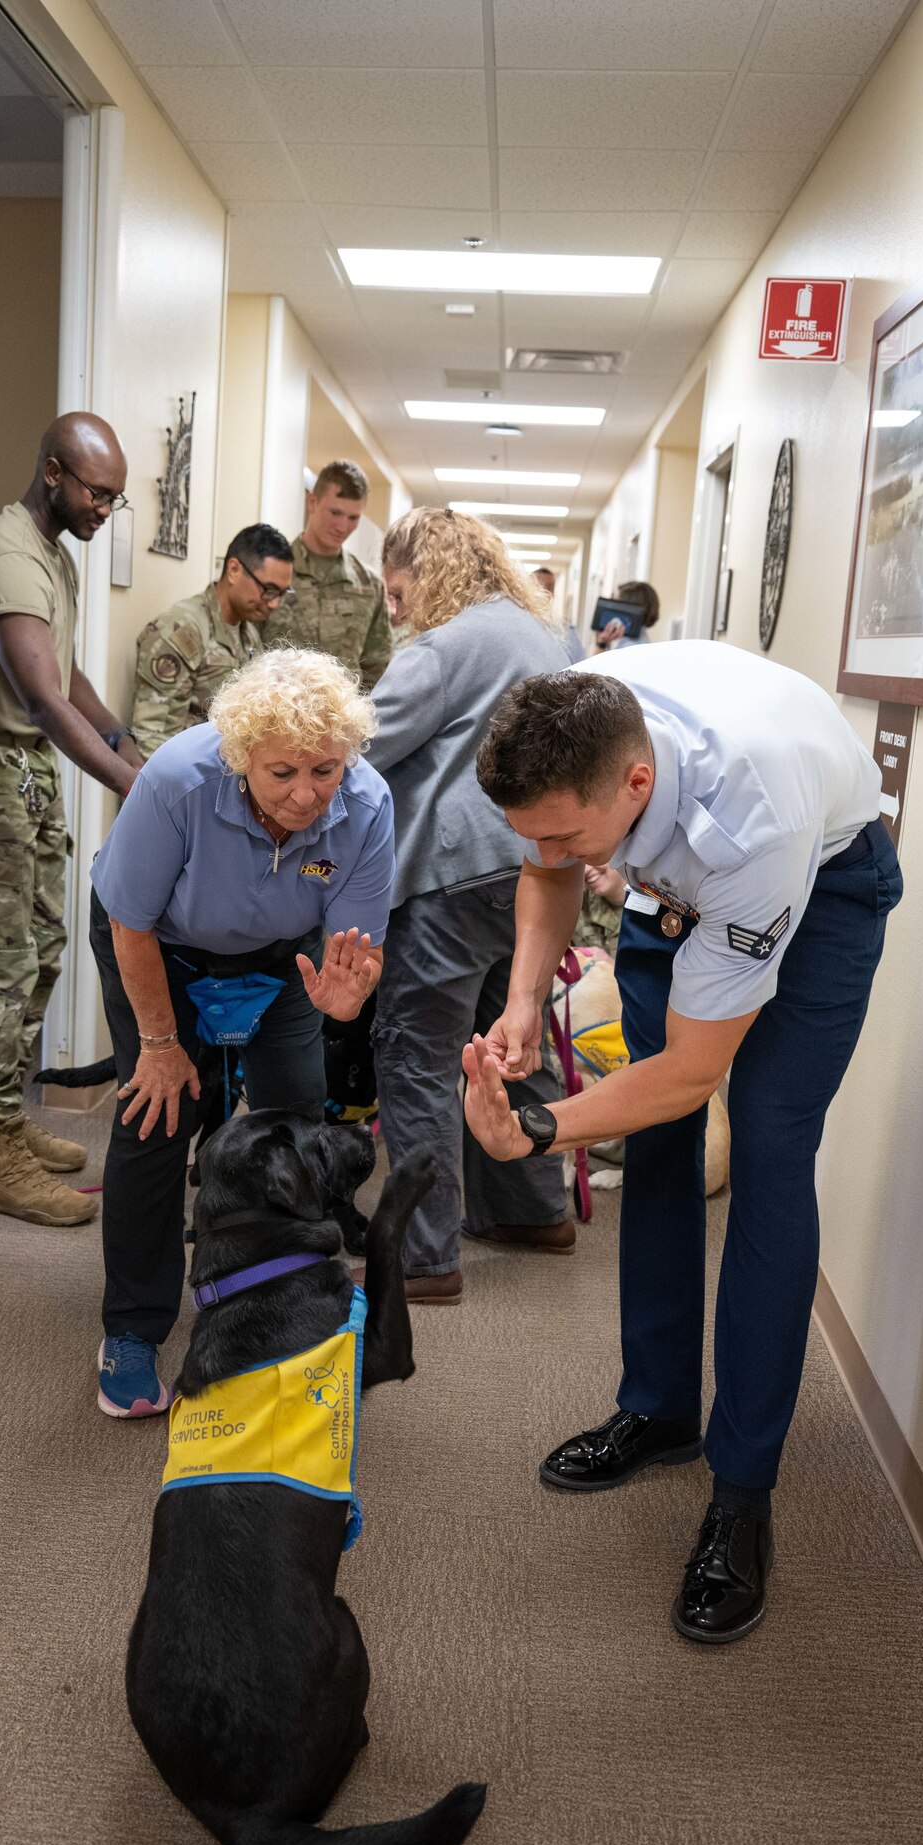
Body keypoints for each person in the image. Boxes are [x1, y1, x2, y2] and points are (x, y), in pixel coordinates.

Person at [464, 646, 903, 1643]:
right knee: (655, 1146)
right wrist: (525, 1002)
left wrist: (536, 1127)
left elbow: (691, 1076)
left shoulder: (750, 815)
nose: (551, 845)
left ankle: (741, 1495)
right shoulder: (565, 735)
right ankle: (659, 1408)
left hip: (820, 882)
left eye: (569, 830)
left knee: (767, 1150)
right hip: (670, 879)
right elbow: (550, 864)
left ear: (635, 781)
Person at [87, 650, 394, 1418]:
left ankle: (287, 1297)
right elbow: (131, 922)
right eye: (281, 772)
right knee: (157, 1116)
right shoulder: (177, 780)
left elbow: (354, 953)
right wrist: (160, 1047)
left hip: (283, 960)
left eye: (324, 770)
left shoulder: (367, 803)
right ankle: (132, 1327)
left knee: (296, 1117)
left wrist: (345, 1005)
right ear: (241, 757)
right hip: (160, 948)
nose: (305, 794)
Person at [0, 412, 144, 1228]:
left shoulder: (50, 552)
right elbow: (41, 701)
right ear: (52, 472)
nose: (104, 512)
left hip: (21, 777)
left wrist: (122, 738)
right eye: (96, 494)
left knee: (41, 949)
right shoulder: (8, 556)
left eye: (115, 499)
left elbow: (63, 667)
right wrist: (128, 784)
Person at [366, 506, 574, 1305]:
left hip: (450, 877)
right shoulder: (539, 634)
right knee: (507, 1043)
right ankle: (530, 1211)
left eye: (396, 589)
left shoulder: (445, 646)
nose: (394, 609)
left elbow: (362, 742)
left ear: (430, 571)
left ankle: (422, 1256)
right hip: (526, 871)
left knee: (417, 1055)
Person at [130, 523, 295, 755]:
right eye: (268, 589)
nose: (274, 603)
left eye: (282, 593)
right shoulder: (182, 630)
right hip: (186, 778)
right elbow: (154, 739)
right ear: (234, 570)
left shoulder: (248, 633)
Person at [263, 460, 393, 690]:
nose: (342, 527)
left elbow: (378, 667)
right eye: (335, 513)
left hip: (341, 718)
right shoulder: (270, 571)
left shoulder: (369, 585)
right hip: (274, 712)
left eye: (353, 518)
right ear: (312, 502)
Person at [533, 565, 586, 664]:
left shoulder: (565, 628)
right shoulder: (521, 622)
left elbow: (579, 662)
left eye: (549, 586)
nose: (545, 591)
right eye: (539, 586)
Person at [596, 580, 659, 652]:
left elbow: (595, 663)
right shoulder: (635, 641)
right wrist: (603, 643)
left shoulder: (630, 648)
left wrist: (600, 644)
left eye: (617, 604)